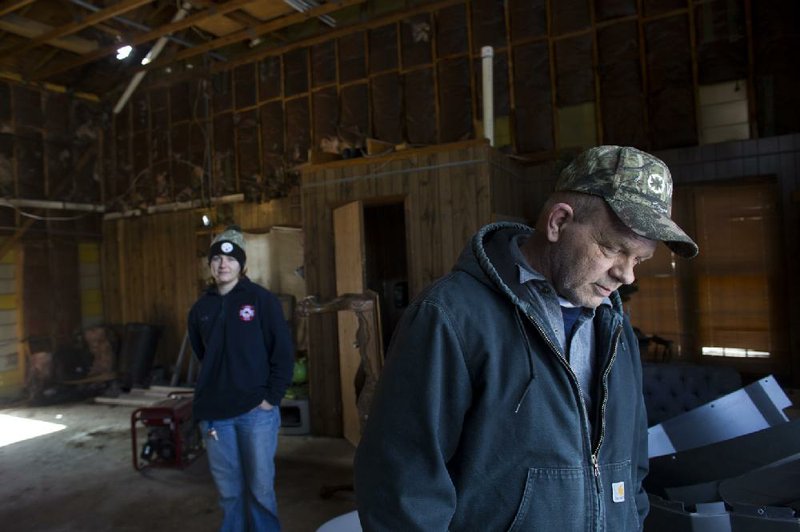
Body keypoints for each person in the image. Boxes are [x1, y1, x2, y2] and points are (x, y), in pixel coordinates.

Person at [353, 146, 698, 531]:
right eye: (613, 249)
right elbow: (402, 486)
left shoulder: (615, 327)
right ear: (559, 222)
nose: (627, 276)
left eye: (639, 260)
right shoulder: (450, 316)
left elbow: (631, 467)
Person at [188, 225, 294, 532]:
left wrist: (270, 398)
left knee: (260, 491)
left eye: (231, 259)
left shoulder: (262, 300)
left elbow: (283, 353)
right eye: (217, 259)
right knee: (230, 494)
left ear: (242, 265)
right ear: (209, 264)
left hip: (255, 412)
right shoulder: (201, 309)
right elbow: (202, 353)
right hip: (215, 415)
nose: (224, 264)